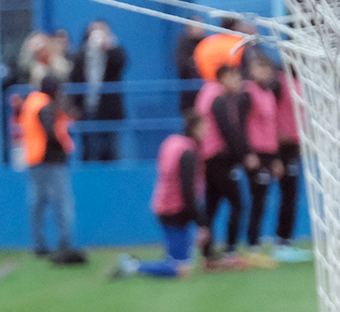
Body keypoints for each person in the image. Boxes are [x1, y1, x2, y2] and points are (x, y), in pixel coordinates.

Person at [114, 110, 209, 279]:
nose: (207, 131)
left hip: (164, 205)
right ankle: (132, 266)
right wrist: (200, 222)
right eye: (204, 127)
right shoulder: (188, 152)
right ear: (195, 129)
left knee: (180, 260)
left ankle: (135, 265)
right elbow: (188, 190)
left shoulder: (173, 143)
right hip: (175, 210)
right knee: (180, 267)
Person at [19, 76, 85, 263]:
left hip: (34, 158)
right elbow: (51, 131)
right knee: (61, 202)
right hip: (50, 159)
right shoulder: (45, 105)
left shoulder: (32, 101)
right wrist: (63, 145)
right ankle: (64, 242)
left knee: (38, 202)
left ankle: (39, 244)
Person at [197, 64, 252, 266]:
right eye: (236, 77)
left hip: (207, 157)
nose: (239, 82)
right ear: (225, 77)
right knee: (238, 204)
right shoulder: (219, 98)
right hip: (220, 158)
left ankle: (207, 254)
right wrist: (245, 154)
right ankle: (230, 252)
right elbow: (227, 129)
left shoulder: (206, 92)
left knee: (211, 206)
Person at [69, 19, 127, 162]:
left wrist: (108, 46)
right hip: (87, 109)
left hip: (109, 109)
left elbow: (121, 64)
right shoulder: (80, 54)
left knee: (111, 150)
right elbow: (74, 79)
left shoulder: (114, 51)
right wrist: (75, 106)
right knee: (90, 150)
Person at [243, 57, 285, 252]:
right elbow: (242, 123)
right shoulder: (248, 92)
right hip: (256, 152)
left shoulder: (268, 92)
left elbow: (272, 126)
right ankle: (252, 242)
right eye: (260, 68)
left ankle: (256, 240)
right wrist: (248, 152)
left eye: (267, 69)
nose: (264, 73)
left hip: (269, 152)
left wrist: (276, 157)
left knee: (264, 197)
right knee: (257, 196)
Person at [273, 66, 309, 261]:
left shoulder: (298, 83)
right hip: (282, 146)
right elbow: (272, 111)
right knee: (287, 194)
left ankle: (285, 240)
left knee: (292, 195)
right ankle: (281, 243)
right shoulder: (279, 82)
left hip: (294, 145)